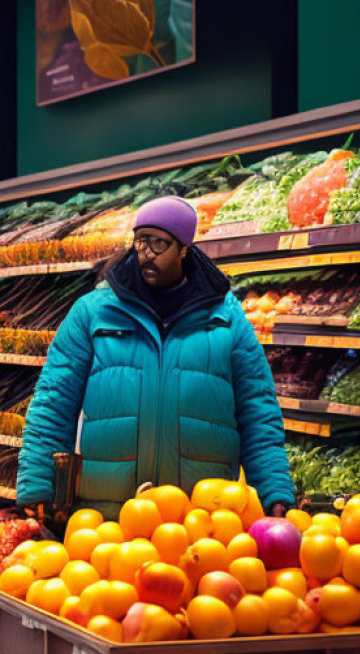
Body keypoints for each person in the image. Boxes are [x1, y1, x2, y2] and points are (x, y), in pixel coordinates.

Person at [17, 196, 294, 522]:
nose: (147, 253)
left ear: (183, 249)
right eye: (140, 241)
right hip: (109, 518)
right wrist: (38, 483)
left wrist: (273, 487)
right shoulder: (93, 312)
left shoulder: (226, 318)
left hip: (202, 521)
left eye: (159, 243)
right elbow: (53, 401)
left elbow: (258, 411)